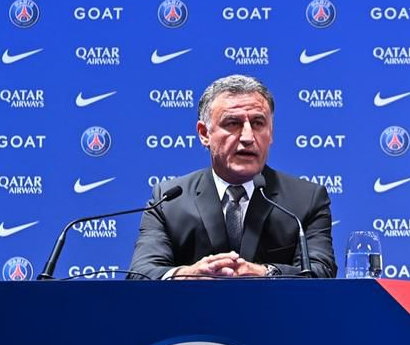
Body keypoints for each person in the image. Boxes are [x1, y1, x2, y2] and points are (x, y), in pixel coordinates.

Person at [129, 75, 336, 279]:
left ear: (270, 132)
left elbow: (321, 272)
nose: (248, 137)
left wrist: (265, 272)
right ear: (204, 133)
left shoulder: (306, 199)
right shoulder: (169, 201)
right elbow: (141, 273)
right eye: (232, 123)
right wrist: (185, 275)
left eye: (258, 123)